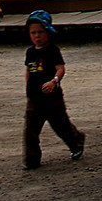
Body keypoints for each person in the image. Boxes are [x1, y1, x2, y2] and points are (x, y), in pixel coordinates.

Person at [22, 10, 83, 169]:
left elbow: (60, 69)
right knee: (30, 130)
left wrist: (54, 81)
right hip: (34, 98)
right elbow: (28, 70)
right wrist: (28, 88)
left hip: (52, 98)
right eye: (33, 33)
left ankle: (76, 142)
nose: (37, 36)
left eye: (41, 32)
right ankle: (31, 160)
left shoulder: (52, 50)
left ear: (48, 32)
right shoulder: (30, 52)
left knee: (61, 125)